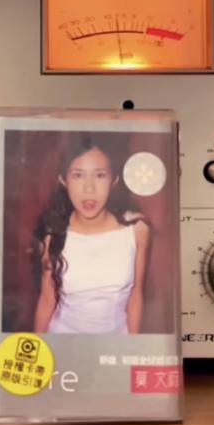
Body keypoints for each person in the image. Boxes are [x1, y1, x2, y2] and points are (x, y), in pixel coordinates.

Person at [32, 135, 150, 334]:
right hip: (63, 342)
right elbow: (46, 300)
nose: (89, 189)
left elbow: (136, 296)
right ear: (63, 180)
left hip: (116, 344)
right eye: (78, 175)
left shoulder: (137, 229)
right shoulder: (53, 234)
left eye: (100, 175)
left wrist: (133, 347)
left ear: (114, 180)